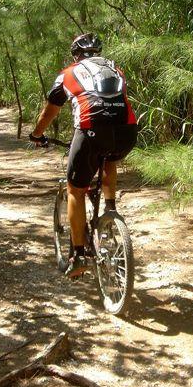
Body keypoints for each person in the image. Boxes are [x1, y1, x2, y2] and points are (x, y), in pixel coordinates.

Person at [29, 33, 138, 278]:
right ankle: (111, 210)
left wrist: (37, 134)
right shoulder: (115, 69)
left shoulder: (68, 73)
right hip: (127, 132)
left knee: (75, 190)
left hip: (90, 131)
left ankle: (78, 256)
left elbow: (50, 111)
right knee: (110, 157)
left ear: (75, 55)